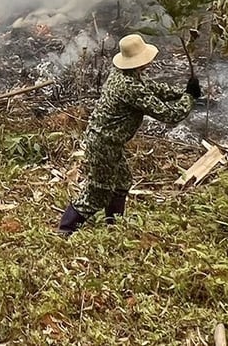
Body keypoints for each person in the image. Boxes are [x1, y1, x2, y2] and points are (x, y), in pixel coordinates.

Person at [57, 33, 202, 235]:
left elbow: (153, 88)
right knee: (99, 191)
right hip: (103, 144)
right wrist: (189, 98)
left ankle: (114, 225)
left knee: (122, 182)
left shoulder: (122, 75)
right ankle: (66, 229)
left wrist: (181, 91)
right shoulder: (130, 87)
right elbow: (169, 115)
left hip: (108, 142)